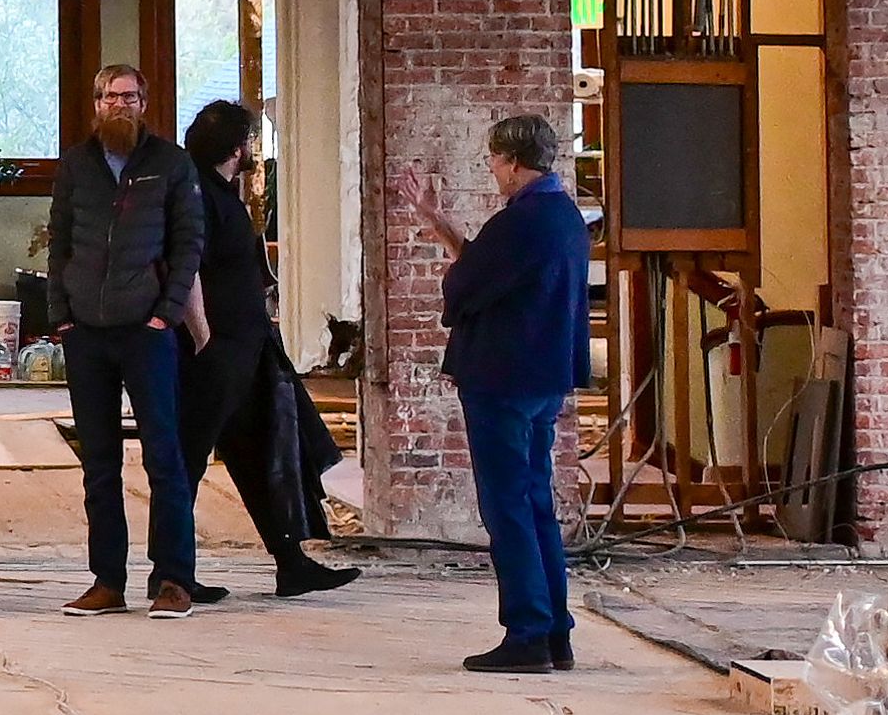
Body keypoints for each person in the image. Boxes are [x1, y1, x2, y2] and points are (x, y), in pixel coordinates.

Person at [400, 112, 594, 674]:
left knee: (507, 507)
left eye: (493, 160)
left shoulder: (521, 222)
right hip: (542, 379)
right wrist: (436, 219)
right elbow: (489, 267)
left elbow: (465, 286)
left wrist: (453, 279)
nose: (491, 170)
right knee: (534, 504)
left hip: (503, 379)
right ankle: (555, 631)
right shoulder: (564, 217)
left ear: (512, 162)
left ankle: (527, 633)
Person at [171, 101, 359, 602]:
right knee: (186, 460)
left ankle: (291, 563)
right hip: (214, 349)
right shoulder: (195, 193)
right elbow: (184, 268)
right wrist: (203, 336)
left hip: (246, 347)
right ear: (237, 148)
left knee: (265, 450)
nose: (252, 149)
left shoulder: (217, 190)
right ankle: (171, 573)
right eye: (250, 140)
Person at [49, 64, 207, 616]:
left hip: (147, 332)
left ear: (144, 103)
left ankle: (173, 580)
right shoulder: (76, 165)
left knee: (164, 456)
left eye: (130, 96)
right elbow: (60, 242)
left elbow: (190, 243)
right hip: (86, 334)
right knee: (99, 462)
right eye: (111, 97)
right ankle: (107, 581)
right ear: (96, 103)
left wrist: (166, 314)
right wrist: (61, 314)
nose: (121, 105)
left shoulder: (170, 164)